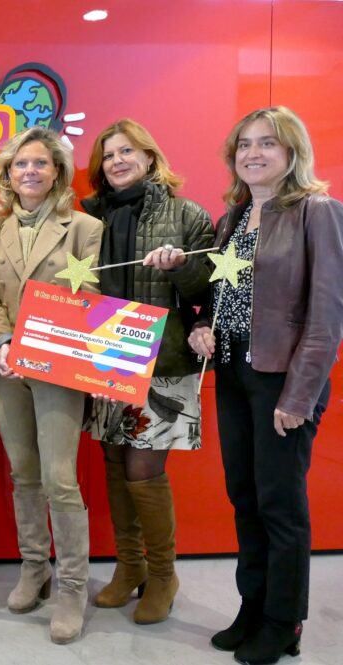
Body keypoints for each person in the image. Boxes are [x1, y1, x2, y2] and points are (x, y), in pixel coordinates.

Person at [188, 107, 343, 664]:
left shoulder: (317, 212)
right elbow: (220, 296)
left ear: (292, 153)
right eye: (244, 145)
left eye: (267, 144)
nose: (252, 153)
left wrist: (299, 397)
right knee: (245, 498)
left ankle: (284, 621)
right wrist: (203, 327)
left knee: (280, 505)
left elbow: (326, 317)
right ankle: (252, 606)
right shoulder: (232, 218)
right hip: (232, 372)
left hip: (282, 382)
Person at [81, 119, 214, 624]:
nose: (117, 161)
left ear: (150, 156)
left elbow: (207, 295)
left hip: (164, 364)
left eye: (127, 151)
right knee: (114, 464)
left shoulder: (186, 214)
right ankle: (128, 566)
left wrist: (179, 266)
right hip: (106, 359)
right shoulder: (89, 218)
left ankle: (163, 574)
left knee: (144, 469)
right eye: (108, 155)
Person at [0, 126, 103, 644]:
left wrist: (39, 346)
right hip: (6, 367)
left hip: (58, 369)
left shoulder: (84, 228)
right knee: (23, 471)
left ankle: (73, 585)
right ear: (8, 174)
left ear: (57, 172)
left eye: (40, 164)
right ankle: (36, 568)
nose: (30, 172)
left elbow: (88, 292)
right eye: (20, 164)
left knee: (59, 477)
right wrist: (3, 342)